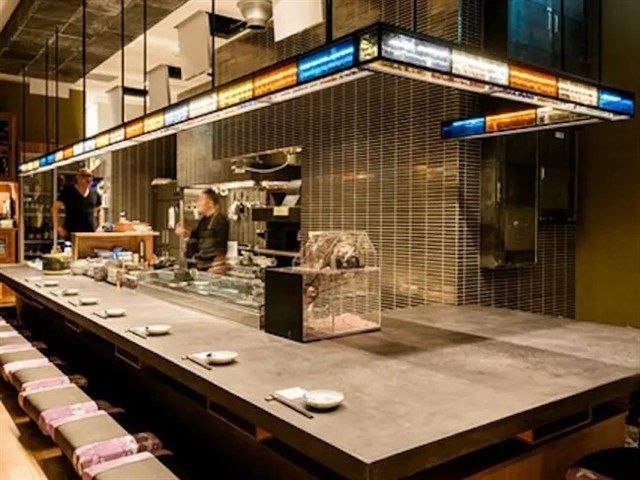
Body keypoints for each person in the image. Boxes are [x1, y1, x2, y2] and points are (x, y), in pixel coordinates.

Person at [175, 188, 229, 274]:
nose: (197, 203)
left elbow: (220, 249)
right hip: (201, 265)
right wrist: (183, 231)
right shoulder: (203, 220)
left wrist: (217, 266)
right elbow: (195, 235)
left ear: (210, 203)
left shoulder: (220, 221)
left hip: (212, 267)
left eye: (200, 200)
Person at [52, 167, 103, 240]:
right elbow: (55, 208)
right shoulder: (68, 192)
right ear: (78, 177)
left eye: (90, 176)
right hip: (72, 234)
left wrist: (100, 226)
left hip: (90, 234)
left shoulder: (94, 193)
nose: (88, 179)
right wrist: (57, 227)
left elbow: (100, 210)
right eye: (85, 175)